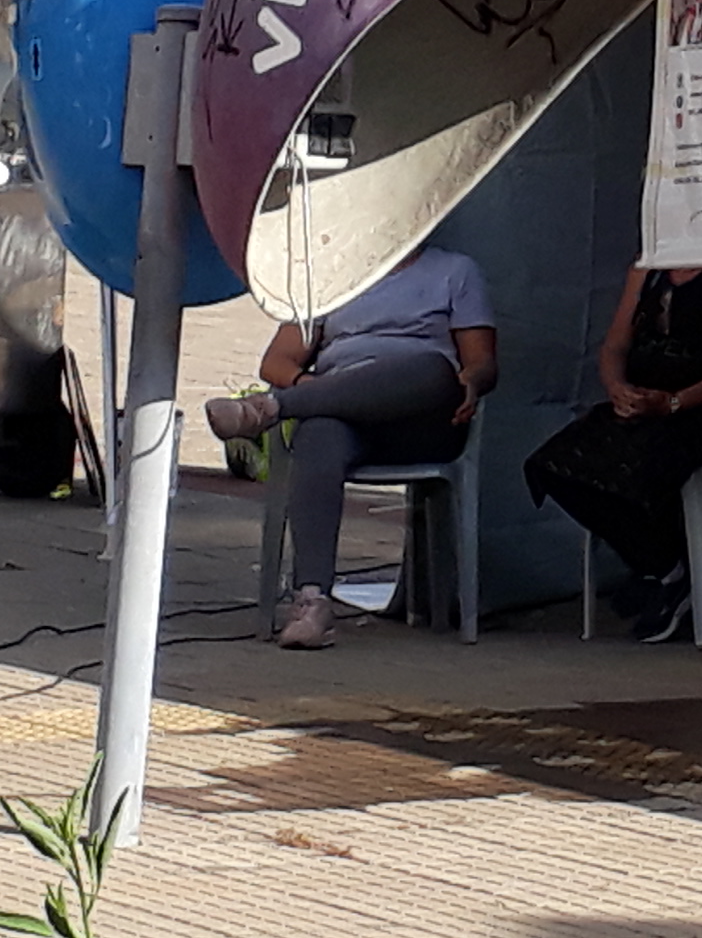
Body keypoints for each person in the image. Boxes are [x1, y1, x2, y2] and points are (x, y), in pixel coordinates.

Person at [210, 242, 499, 651]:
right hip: (346, 418)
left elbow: (482, 362)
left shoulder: (455, 271)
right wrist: (314, 388)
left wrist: (471, 381)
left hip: (422, 419)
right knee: (318, 432)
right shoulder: (333, 274)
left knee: (435, 370)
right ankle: (312, 601)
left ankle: (270, 408)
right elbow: (277, 361)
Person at [526, 265, 702, 640]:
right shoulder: (648, 266)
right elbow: (616, 345)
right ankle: (664, 568)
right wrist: (618, 388)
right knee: (555, 465)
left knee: (639, 463)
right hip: (647, 406)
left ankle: (668, 576)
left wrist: (675, 402)